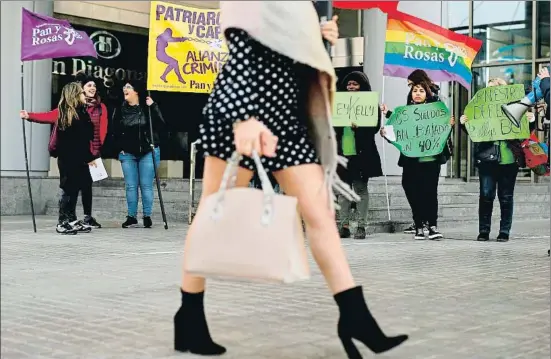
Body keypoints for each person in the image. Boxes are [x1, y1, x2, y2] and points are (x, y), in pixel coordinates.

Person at [174, 3, 408, 358]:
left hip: (288, 122)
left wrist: (316, 39)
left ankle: (355, 317)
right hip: (239, 114)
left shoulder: (306, 7)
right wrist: (243, 119)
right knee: (211, 213)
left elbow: (293, 59)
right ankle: (189, 314)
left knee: (321, 215)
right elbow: (240, 57)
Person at [20, 73, 106, 229]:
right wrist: (29, 116)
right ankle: (63, 221)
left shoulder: (88, 111)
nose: (87, 92)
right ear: (75, 95)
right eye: (83, 91)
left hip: (84, 156)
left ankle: (72, 219)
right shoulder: (66, 114)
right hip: (70, 158)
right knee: (69, 189)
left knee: (79, 187)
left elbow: (94, 134)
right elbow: (69, 139)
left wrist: (93, 153)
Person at [381, 80, 454, 240]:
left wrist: (449, 125)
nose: (418, 93)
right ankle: (419, 224)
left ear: (426, 93)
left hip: (430, 160)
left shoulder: (436, 111)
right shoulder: (405, 112)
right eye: (415, 91)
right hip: (410, 160)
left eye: (421, 90)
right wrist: (387, 132)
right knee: (411, 190)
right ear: (411, 94)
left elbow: (442, 131)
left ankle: (432, 226)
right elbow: (400, 129)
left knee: (429, 193)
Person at [460, 78, 529, 242]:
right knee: (485, 195)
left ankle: (504, 231)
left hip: (509, 160)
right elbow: (474, 131)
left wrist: (530, 121)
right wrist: (464, 124)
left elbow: (524, 130)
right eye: (491, 90)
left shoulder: (516, 108)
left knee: (506, 197)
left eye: (498, 89)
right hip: (487, 159)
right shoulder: (482, 108)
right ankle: (484, 231)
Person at [110, 81, 165, 229]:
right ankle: (131, 217)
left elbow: (161, 125)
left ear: (136, 92)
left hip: (148, 151)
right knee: (131, 186)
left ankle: (147, 216)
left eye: (128, 87)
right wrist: (119, 147)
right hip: (127, 153)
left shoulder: (147, 108)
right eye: (124, 88)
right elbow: (114, 131)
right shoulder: (120, 109)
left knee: (146, 185)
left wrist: (153, 106)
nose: (124, 90)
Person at [334, 71, 383, 239]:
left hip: (362, 154)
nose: (351, 87)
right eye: (349, 84)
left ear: (362, 86)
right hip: (342, 154)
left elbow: (375, 128)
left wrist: (359, 128)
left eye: (355, 84)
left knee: (360, 189)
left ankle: (361, 226)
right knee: (343, 191)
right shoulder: (338, 104)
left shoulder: (370, 104)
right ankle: (344, 225)